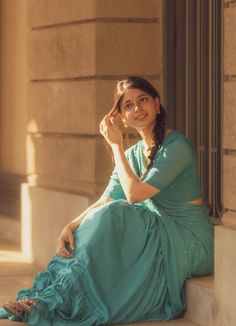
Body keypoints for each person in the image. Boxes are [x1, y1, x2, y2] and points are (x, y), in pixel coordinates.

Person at [0, 76, 214, 325]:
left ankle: (55, 301)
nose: (137, 109)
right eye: (128, 105)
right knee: (102, 220)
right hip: (157, 233)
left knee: (120, 213)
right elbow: (105, 200)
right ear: (122, 117)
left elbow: (134, 194)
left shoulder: (176, 147)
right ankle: (46, 299)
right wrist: (71, 226)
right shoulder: (133, 155)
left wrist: (115, 146)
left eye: (143, 100)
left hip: (190, 240)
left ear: (157, 103)